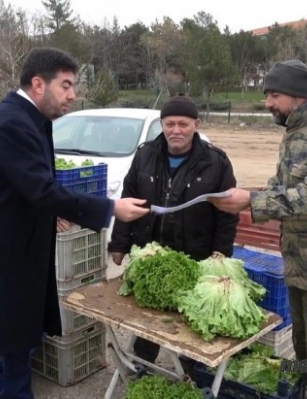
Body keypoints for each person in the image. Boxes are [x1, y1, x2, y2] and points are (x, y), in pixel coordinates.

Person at [0, 47, 150, 399]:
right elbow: (41, 189)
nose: (73, 95)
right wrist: (110, 208)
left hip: (18, 256)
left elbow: (25, 186)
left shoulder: (30, 119)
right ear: (38, 84)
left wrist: (51, 210)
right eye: (66, 85)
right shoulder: (11, 122)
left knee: (17, 344)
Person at [208, 60, 307, 399]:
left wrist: (251, 201)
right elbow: (281, 185)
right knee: (305, 355)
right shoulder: (294, 133)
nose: (267, 103)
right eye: (267, 95)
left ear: (299, 96)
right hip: (299, 267)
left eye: (274, 95)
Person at [107, 95, 240, 364]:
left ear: (196, 125)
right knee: (148, 314)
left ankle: (191, 370)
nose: (175, 130)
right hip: (151, 252)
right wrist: (119, 244)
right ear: (161, 125)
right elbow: (127, 201)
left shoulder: (216, 162)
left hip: (196, 254)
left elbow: (227, 214)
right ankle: (142, 363)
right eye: (169, 124)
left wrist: (220, 252)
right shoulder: (145, 155)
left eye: (183, 124)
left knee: (190, 321)